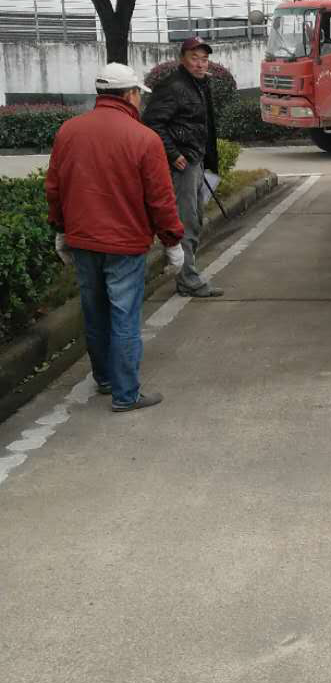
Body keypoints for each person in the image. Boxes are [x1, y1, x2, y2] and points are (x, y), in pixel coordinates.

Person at [45, 64, 186, 412]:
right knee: (124, 316)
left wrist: (61, 229)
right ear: (130, 95)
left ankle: (105, 379)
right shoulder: (144, 139)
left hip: (83, 240)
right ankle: (126, 394)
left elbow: (55, 187)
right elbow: (160, 199)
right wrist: (172, 242)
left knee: (95, 312)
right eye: (138, 94)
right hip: (125, 243)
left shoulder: (69, 131)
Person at [142, 35, 223, 297]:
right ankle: (188, 279)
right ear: (182, 59)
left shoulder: (200, 84)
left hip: (195, 160)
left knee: (195, 219)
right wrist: (173, 153)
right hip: (183, 164)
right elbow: (152, 123)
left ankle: (187, 275)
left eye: (204, 59)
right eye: (194, 58)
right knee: (186, 221)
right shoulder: (173, 86)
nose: (200, 64)